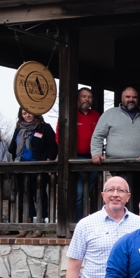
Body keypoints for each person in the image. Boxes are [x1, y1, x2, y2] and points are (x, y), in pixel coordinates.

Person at [56, 87, 101, 221]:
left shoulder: (96, 115)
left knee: (91, 193)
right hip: (75, 159)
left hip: (93, 159)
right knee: (79, 193)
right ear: (77, 98)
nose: (87, 99)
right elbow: (59, 137)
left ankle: (92, 221)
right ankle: (78, 222)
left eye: (89, 97)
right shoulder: (69, 114)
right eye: (83, 96)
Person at [10, 108, 57, 234]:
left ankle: (40, 224)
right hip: (22, 168)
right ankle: (27, 223)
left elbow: (53, 145)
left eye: (29, 112)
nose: (27, 115)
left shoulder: (44, 127)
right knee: (24, 196)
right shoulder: (19, 129)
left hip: (39, 167)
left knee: (39, 195)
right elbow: (12, 148)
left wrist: (48, 160)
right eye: (24, 113)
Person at [91, 87, 140, 163]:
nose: (131, 99)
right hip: (116, 164)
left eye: (134, 97)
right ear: (122, 98)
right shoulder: (109, 114)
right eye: (128, 97)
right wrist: (96, 153)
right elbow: (98, 136)